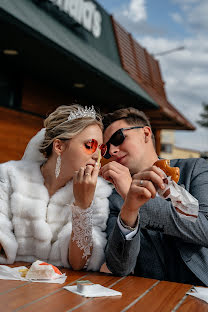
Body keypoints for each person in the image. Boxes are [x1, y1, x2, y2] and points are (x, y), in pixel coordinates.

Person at [100, 107, 208, 286]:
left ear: (145, 133)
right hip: (149, 298)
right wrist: (129, 207)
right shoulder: (113, 198)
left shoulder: (195, 169)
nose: (112, 150)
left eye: (118, 138)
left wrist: (134, 196)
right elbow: (119, 267)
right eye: (105, 149)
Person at [0, 104, 112, 271]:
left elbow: (79, 263)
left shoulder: (98, 191)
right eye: (90, 145)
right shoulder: (9, 175)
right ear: (59, 146)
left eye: (101, 148)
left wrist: (83, 206)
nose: (97, 156)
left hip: (63, 288)